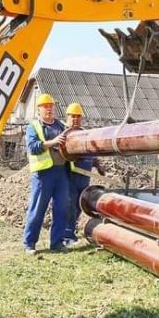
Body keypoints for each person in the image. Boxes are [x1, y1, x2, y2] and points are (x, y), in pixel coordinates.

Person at [22, 93, 70, 255]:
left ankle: (57, 243)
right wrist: (53, 142)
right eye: (45, 107)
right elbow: (33, 147)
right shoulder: (33, 126)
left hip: (61, 172)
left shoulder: (62, 125)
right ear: (39, 109)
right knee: (37, 209)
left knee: (61, 208)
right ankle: (29, 243)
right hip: (43, 174)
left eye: (51, 106)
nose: (49, 109)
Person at [62, 102, 105, 247]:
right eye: (72, 116)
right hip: (71, 177)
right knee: (70, 206)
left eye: (78, 116)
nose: (75, 119)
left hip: (84, 177)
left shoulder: (85, 134)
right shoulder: (64, 135)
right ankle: (67, 236)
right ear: (67, 117)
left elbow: (91, 153)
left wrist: (97, 165)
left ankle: (71, 232)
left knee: (79, 205)